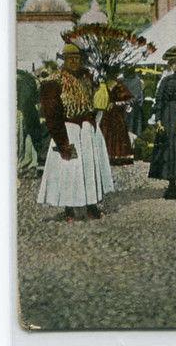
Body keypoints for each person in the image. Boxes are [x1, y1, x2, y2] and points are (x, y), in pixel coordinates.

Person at [37, 43, 113, 221]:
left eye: (77, 58)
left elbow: (94, 100)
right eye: (70, 58)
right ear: (64, 60)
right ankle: (69, 208)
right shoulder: (54, 82)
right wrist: (62, 142)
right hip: (68, 130)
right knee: (69, 170)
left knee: (89, 168)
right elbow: (51, 114)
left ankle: (91, 205)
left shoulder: (86, 77)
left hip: (87, 130)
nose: (74, 62)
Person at [148, 45, 176, 198]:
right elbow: (159, 100)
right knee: (168, 150)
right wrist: (159, 120)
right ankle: (171, 184)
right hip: (167, 117)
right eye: (174, 63)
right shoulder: (166, 81)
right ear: (171, 65)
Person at [99, 76, 134, 165]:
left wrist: (116, 104)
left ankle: (117, 155)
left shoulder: (119, 86)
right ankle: (104, 154)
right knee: (105, 132)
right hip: (105, 115)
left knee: (117, 133)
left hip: (117, 115)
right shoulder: (102, 84)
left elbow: (130, 100)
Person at [124, 67, 145, 138]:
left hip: (126, 106)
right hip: (135, 106)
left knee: (127, 125)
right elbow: (140, 96)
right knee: (134, 126)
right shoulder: (137, 81)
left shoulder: (124, 81)